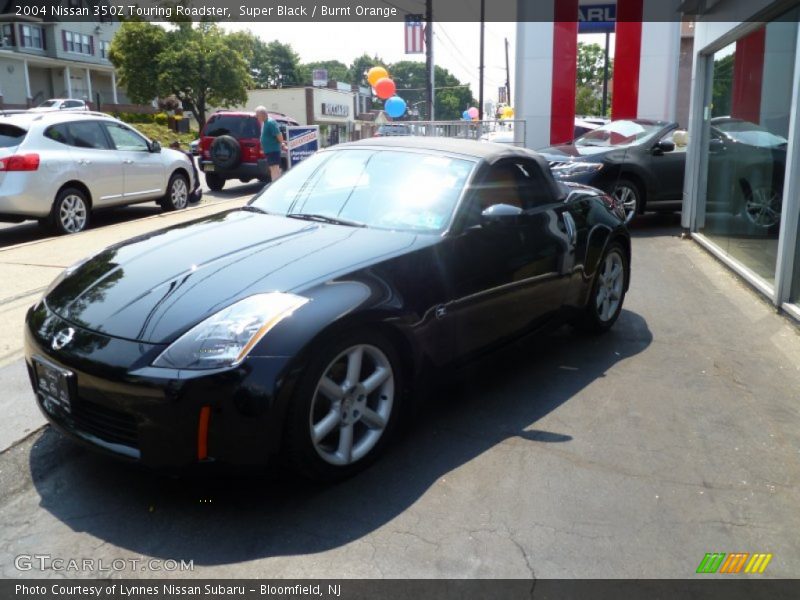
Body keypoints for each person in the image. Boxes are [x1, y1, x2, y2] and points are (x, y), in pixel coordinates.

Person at [255, 106, 287, 183]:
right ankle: (275, 184)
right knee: (273, 168)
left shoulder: (271, 122)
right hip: (269, 151)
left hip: (273, 150)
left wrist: (282, 144)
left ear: (263, 114)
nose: (256, 117)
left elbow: (278, 136)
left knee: (275, 168)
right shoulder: (265, 123)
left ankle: (276, 185)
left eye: (257, 115)